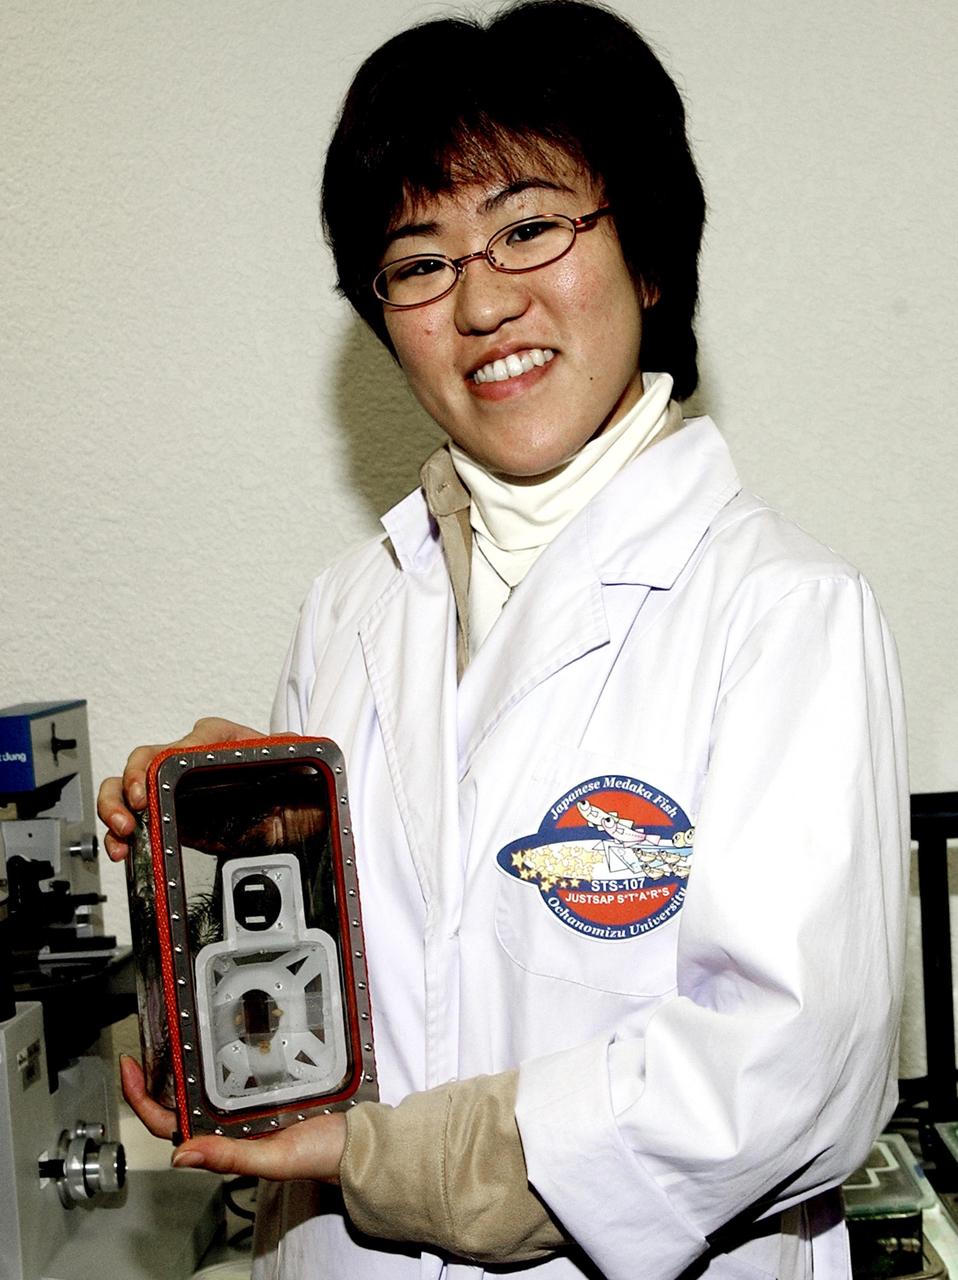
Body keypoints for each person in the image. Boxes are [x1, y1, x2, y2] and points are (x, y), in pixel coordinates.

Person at [98, 3, 910, 1277]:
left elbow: (787, 1072)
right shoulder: (349, 608)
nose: (480, 300)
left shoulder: (784, 611)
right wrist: (241, 870)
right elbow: (362, 1002)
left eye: (529, 227)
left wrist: (403, 1158)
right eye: (418, 262)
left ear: (647, 257)